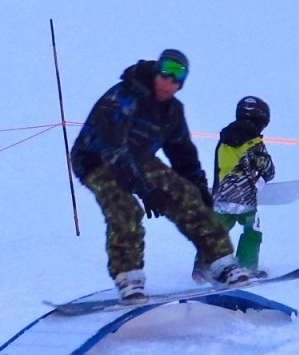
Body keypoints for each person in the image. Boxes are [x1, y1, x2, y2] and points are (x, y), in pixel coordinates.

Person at [70, 49, 253, 303]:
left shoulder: (172, 112)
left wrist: (200, 191)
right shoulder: (123, 96)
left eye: (178, 76)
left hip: (138, 156)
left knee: (186, 197)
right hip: (96, 159)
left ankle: (221, 263)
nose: (169, 81)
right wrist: (144, 190)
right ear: (156, 71)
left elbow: (183, 154)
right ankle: (129, 278)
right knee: (125, 209)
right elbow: (113, 147)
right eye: (166, 72)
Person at [193, 96, 276, 281]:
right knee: (252, 231)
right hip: (244, 198)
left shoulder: (224, 138)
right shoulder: (254, 142)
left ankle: (202, 266)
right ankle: (247, 267)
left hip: (221, 196)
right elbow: (267, 168)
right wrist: (264, 178)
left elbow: (218, 166)